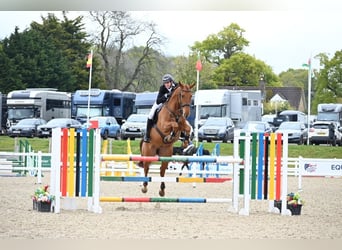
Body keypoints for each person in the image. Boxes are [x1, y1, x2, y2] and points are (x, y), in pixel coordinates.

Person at [143, 73, 177, 143]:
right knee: (151, 114)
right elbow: (158, 101)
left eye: (168, 83)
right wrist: (166, 96)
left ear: (171, 82)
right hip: (162, 103)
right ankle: (147, 135)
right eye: (165, 83)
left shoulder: (176, 86)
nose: (166, 85)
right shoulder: (162, 88)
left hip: (173, 106)